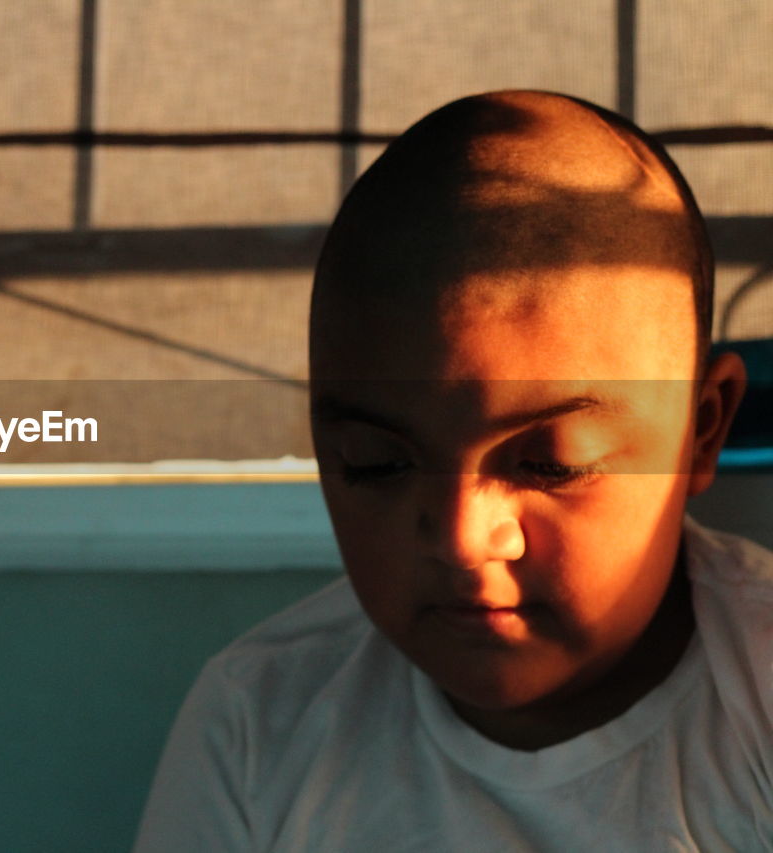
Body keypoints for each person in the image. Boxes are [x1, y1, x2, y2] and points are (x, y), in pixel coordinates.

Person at [133, 90, 771, 851]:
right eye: (379, 464)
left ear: (700, 432)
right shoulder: (258, 724)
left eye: (548, 462)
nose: (464, 541)